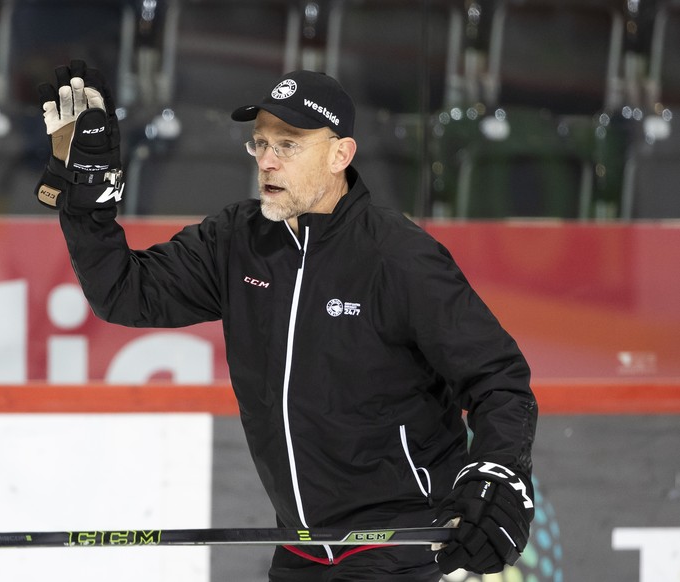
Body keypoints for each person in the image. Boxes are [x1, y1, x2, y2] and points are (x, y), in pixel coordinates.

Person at [34, 60, 538, 581]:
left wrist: (498, 474)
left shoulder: (398, 257)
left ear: (341, 154)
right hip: (300, 544)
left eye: (288, 146)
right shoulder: (238, 241)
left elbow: (499, 378)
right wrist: (86, 203)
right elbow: (123, 293)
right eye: (260, 144)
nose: (268, 162)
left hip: (402, 544)